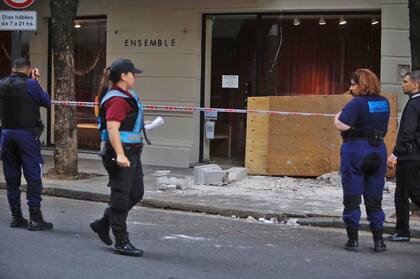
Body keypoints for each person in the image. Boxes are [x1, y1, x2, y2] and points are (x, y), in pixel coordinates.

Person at [90, 58, 146, 257]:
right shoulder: (117, 99)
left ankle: (103, 223)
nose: (135, 77)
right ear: (124, 76)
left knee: (136, 193)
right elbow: (113, 128)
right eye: (133, 73)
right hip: (120, 153)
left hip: (132, 151)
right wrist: (121, 154)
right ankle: (121, 241)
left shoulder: (125, 96)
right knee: (121, 196)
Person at [334, 69, 390, 252]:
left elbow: (342, 124)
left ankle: (353, 240)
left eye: (352, 84)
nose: (350, 88)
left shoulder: (356, 103)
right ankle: (379, 240)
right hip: (378, 150)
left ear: (361, 84)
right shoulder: (384, 102)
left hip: (356, 150)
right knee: (374, 198)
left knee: (352, 196)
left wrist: (336, 117)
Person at [0, 57, 52, 231]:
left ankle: (16, 217)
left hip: (6, 134)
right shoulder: (31, 85)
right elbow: (47, 101)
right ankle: (35, 217)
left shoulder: (2, 84)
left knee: (12, 177)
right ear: (28, 69)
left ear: (13, 68)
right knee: (33, 176)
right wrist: (37, 82)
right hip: (26, 135)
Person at [386, 71, 420, 242]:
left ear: (416, 84)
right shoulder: (415, 102)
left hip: (409, 155)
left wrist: (395, 154)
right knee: (407, 192)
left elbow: (408, 133)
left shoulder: (414, 104)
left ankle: (402, 231)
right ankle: (401, 230)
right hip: (414, 154)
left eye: (405, 81)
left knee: (407, 193)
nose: (402, 84)